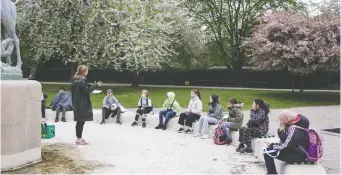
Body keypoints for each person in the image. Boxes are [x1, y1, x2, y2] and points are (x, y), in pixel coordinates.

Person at [263, 110, 310, 174]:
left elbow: (287, 145)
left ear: (286, 119)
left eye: (281, 120)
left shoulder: (295, 129)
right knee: (268, 149)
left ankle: (271, 173)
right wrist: (280, 131)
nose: (280, 121)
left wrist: (273, 146)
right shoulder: (292, 125)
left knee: (267, 151)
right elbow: (284, 140)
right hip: (295, 151)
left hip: (298, 155)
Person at [70, 65, 102, 145]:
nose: (87, 72)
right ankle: (79, 139)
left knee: (79, 121)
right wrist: (96, 85)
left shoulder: (74, 79)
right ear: (84, 72)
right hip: (82, 103)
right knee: (81, 121)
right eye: (87, 71)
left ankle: (78, 137)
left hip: (76, 103)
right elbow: (87, 90)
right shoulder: (82, 80)